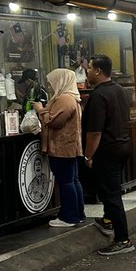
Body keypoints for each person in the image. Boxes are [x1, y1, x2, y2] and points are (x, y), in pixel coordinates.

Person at [83, 55, 134, 256]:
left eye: (89, 68)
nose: (87, 72)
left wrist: (87, 156)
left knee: (111, 195)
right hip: (122, 146)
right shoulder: (120, 90)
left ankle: (123, 239)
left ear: (97, 71)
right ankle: (107, 219)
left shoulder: (98, 96)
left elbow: (95, 132)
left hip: (107, 150)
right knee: (110, 191)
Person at [34, 68, 85, 226]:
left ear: (61, 81)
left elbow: (55, 122)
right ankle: (77, 214)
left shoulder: (64, 99)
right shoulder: (72, 98)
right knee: (73, 180)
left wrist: (40, 110)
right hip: (69, 147)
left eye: (52, 83)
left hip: (62, 148)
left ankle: (69, 217)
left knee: (66, 182)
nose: (50, 86)